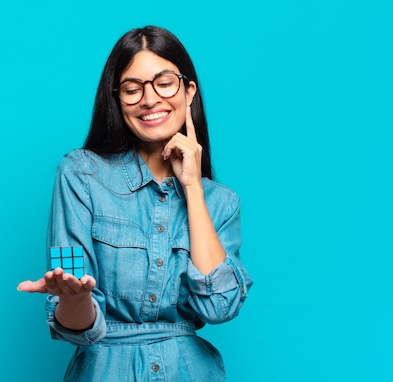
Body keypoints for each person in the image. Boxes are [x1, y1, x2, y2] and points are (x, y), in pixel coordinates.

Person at [17, 25, 252, 381]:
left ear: (189, 92)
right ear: (117, 100)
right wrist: (75, 299)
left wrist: (191, 188)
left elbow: (220, 305)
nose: (150, 99)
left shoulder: (221, 202)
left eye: (164, 82)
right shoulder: (81, 175)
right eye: (132, 89)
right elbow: (75, 325)